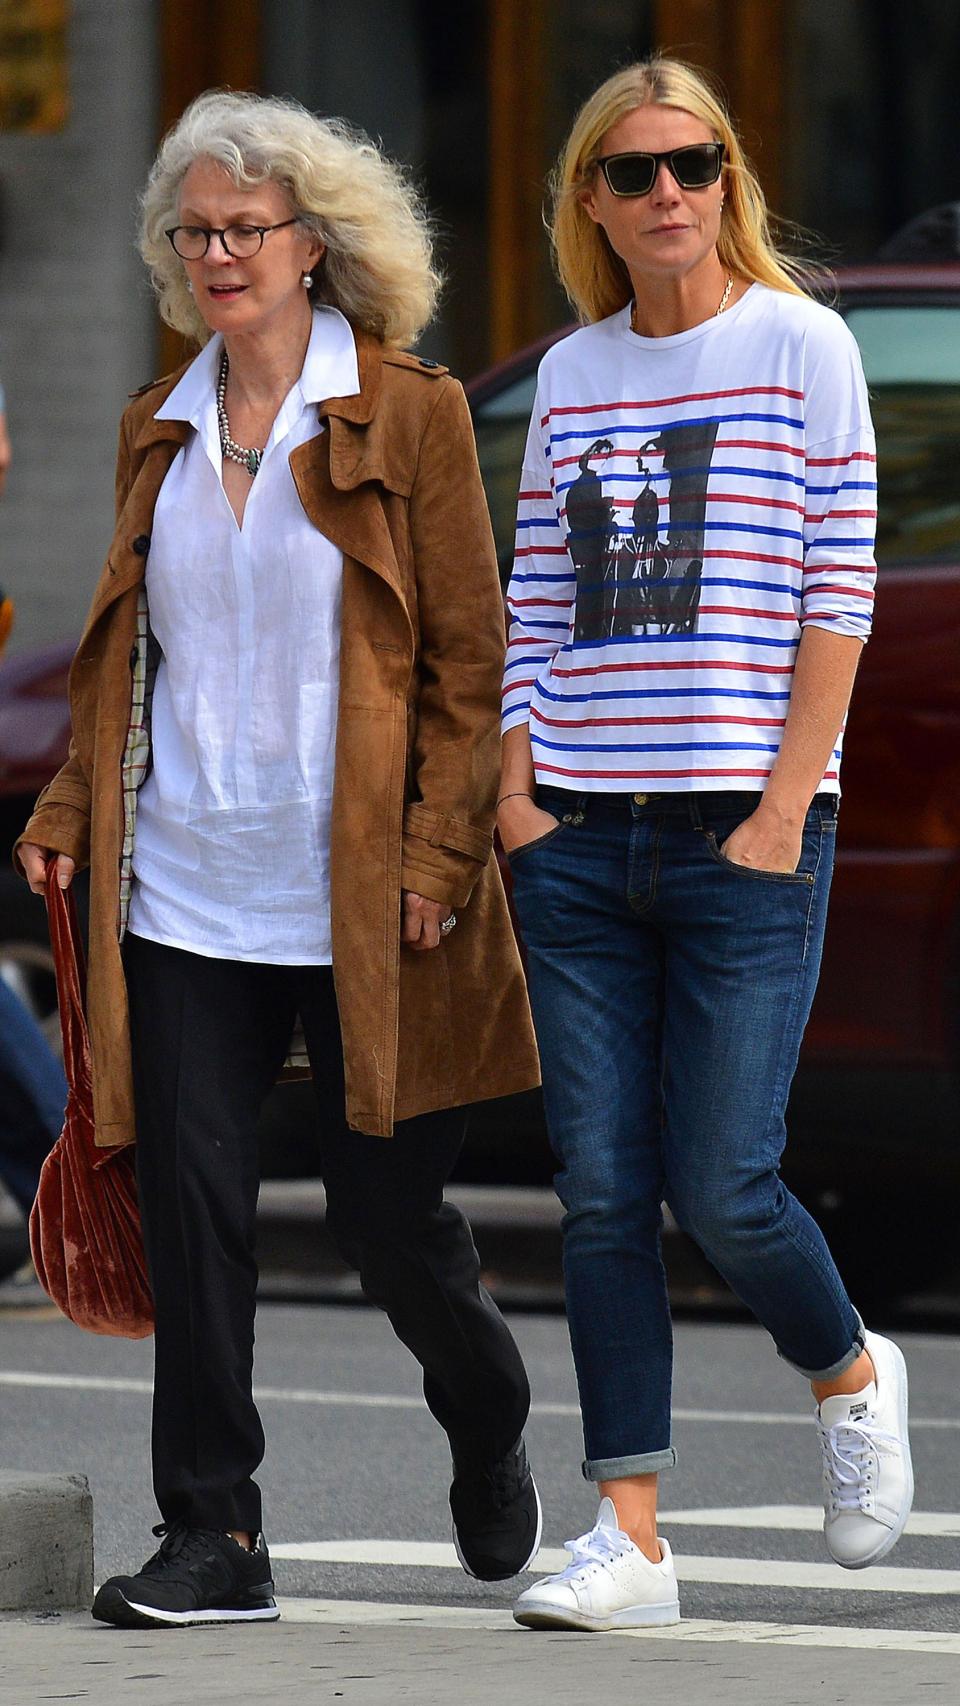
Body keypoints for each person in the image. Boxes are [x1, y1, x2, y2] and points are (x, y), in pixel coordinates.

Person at [16, 89, 542, 1630]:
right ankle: (217, 1532)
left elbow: (465, 658)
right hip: (186, 879)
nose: (223, 253)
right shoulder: (156, 421)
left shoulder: (410, 414)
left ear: (315, 244)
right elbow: (128, 662)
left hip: (367, 893)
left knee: (389, 1222)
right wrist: (64, 810)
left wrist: (443, 849)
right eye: (198, 232)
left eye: (251, 228)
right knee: (195, 1210)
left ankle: (485, 1393)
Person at [499, 57, 912, 1633]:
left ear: (729, 179)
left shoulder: (804, 345)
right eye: (631, 171)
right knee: (600, 1191)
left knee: (726, 1182)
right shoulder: (574, 373)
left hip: (745, 830)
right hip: (579, 838)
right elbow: (536, 592)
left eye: (692, 163)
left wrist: (783, 799)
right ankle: (634, 1537)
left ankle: (852, 1371)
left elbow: (839, 588)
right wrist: (516, 790)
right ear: (590, 204)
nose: (665, 192)